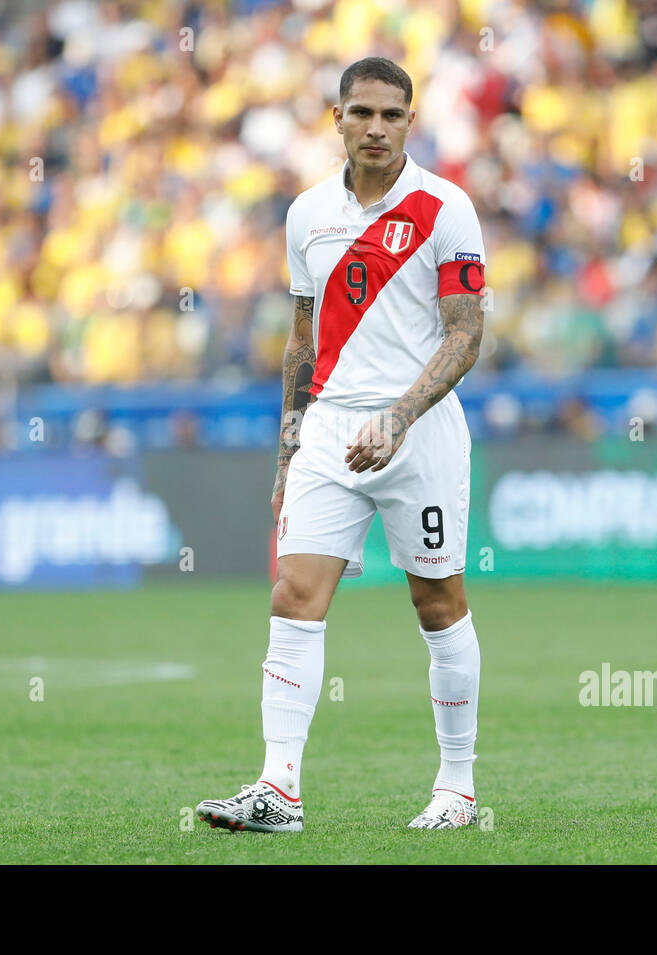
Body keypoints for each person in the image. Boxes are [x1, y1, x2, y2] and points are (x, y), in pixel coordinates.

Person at [195, 57, 487, 832]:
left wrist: (400, 414)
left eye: (392, 115)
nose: (377, 128)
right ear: (338, 119)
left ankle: (457, 787)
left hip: (417, 432)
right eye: (362, 113)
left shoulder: (445, 208)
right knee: (293, 594)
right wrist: (289, 448)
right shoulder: (306, 215)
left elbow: (467, 336)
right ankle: (278, 789)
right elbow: (301, 342)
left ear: (410, 123)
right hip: (327, 428)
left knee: (437, 601)